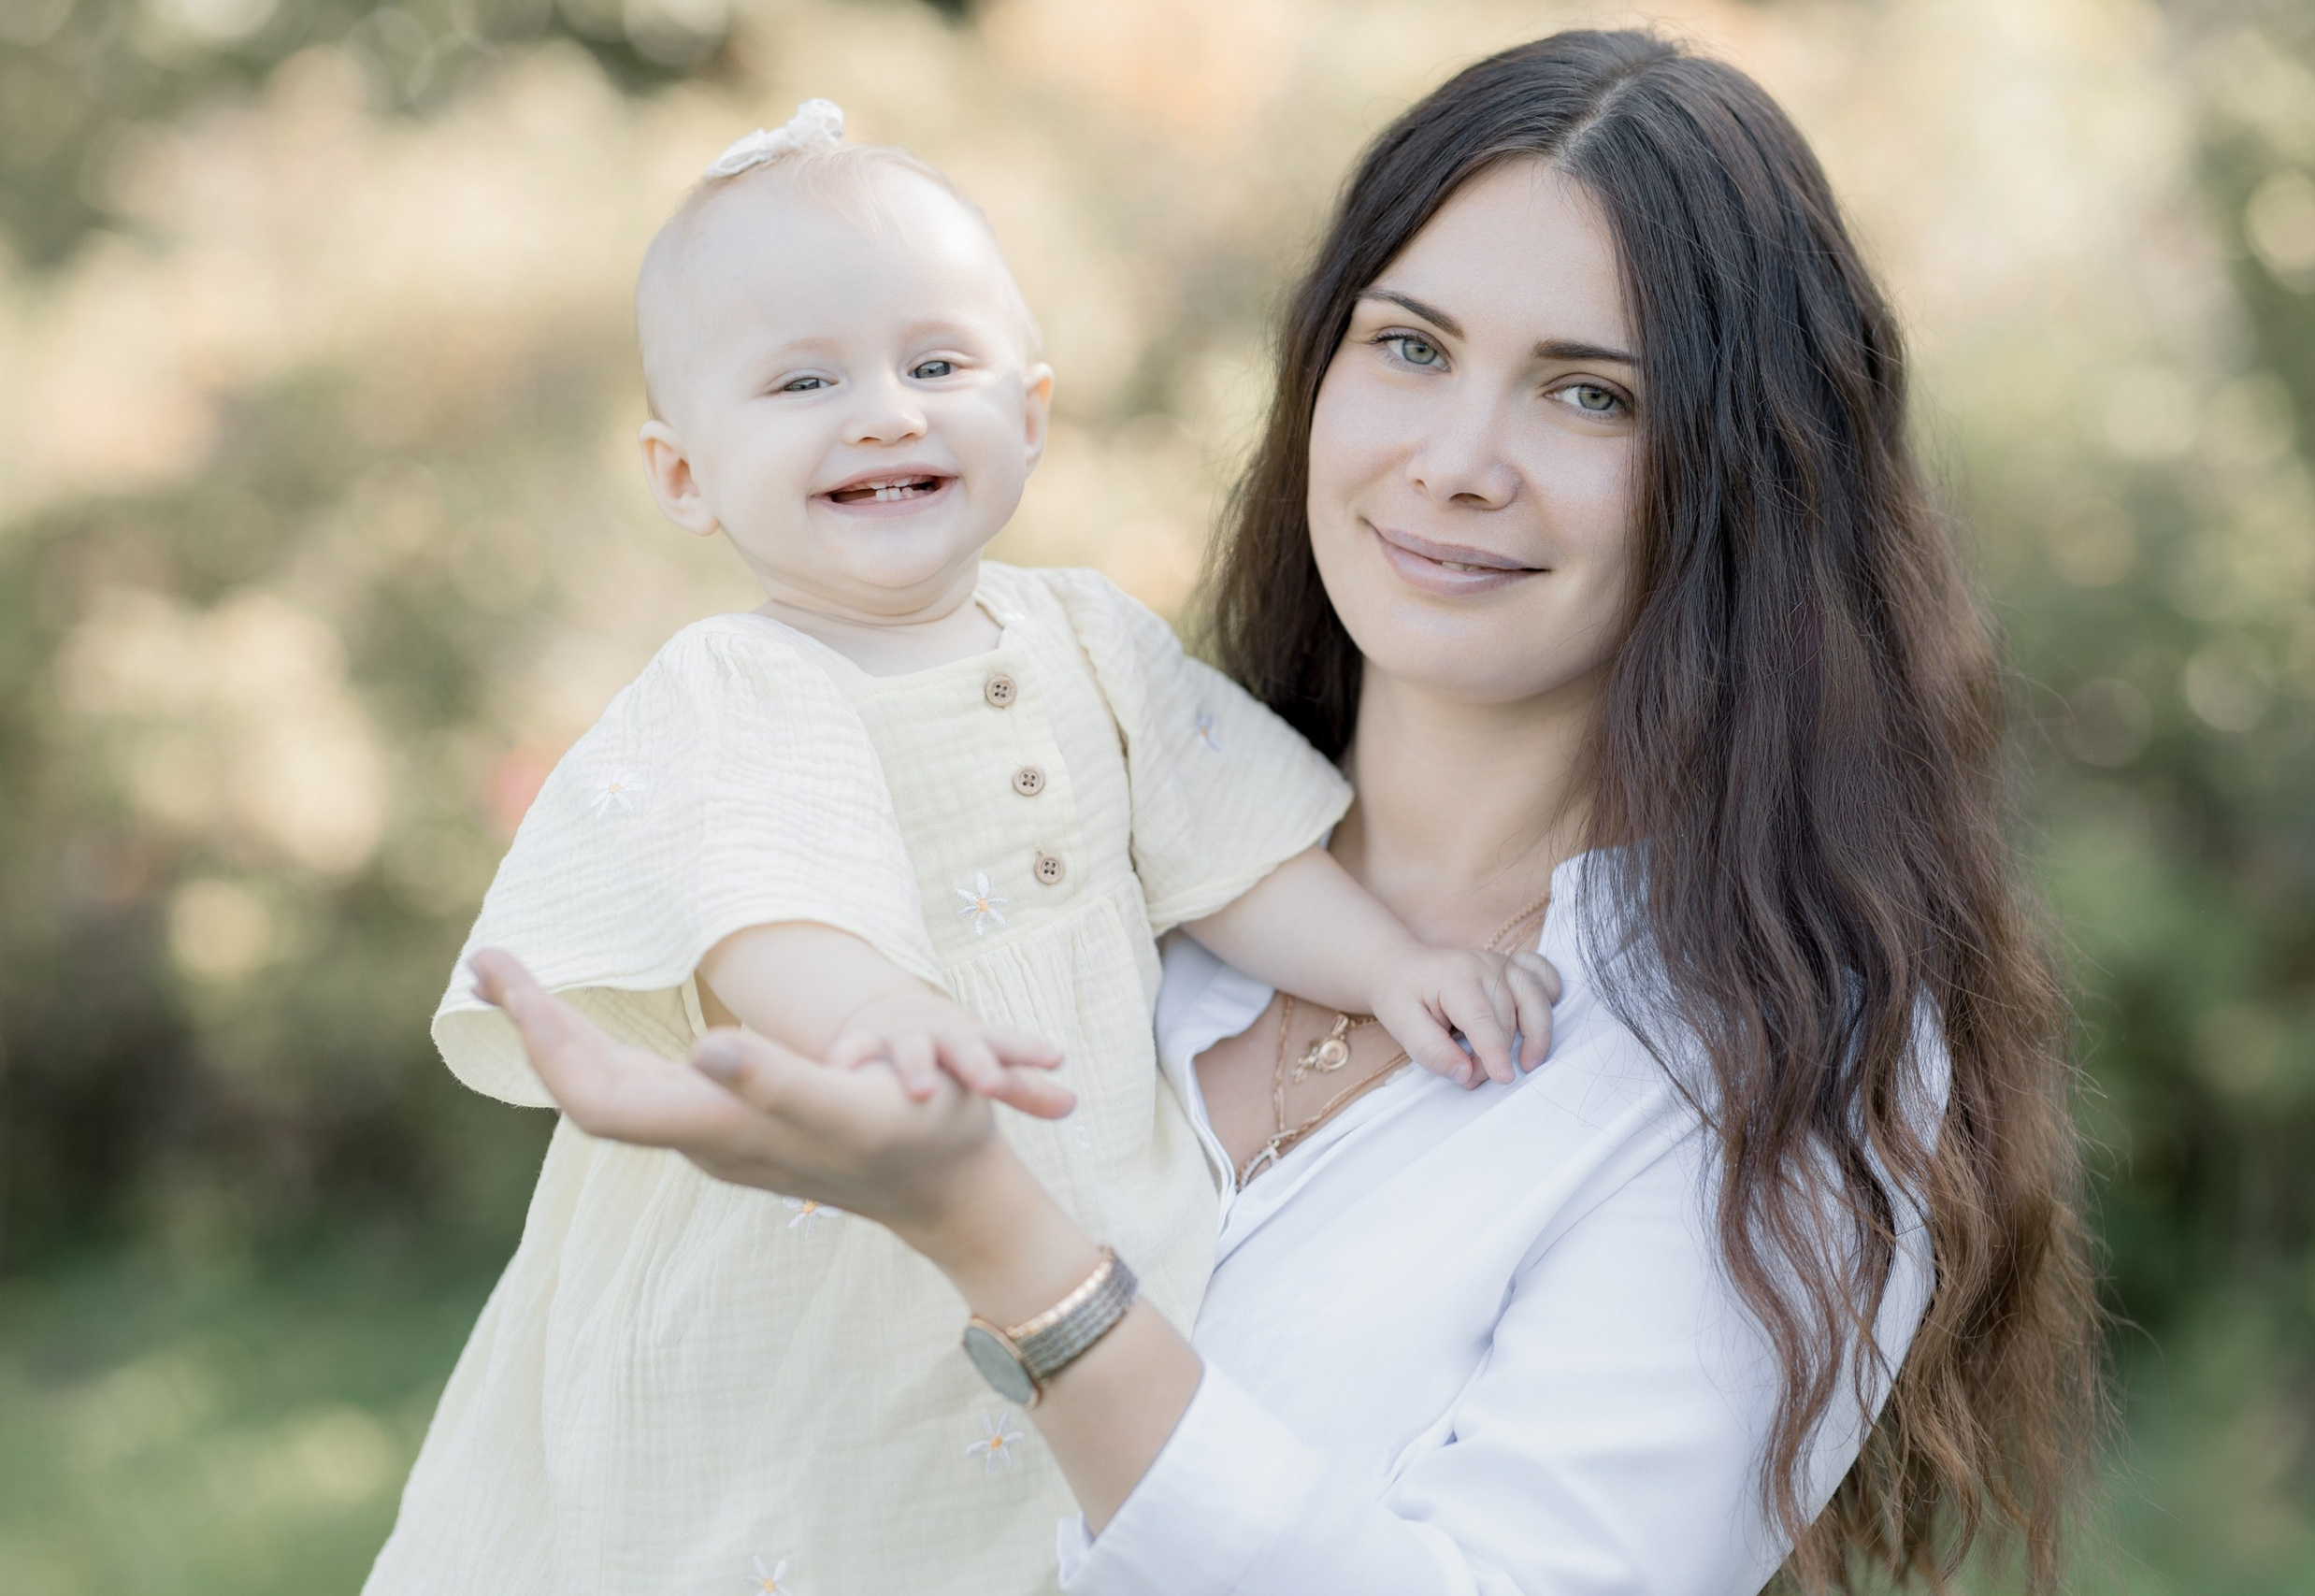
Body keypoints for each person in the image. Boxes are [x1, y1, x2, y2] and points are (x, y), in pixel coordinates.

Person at [466, 28, 2103, 1596]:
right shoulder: (1070, 823)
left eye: (1591, 394)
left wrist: (1004, 1244)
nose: (1459, 458)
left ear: (1751, 467)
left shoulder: (1778, 1071)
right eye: (1409, 347)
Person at [366, 100, 1556, 1596]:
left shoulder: (1091, 643)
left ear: (1033, 410)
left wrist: (1390, 965)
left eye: (938, 366)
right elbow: (762, 920)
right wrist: (889, 1031)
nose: (885, 414)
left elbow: (1233, 855)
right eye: (804, 381)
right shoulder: (730, 687)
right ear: (682, 475)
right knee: (745, 1519)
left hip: (1047, 1231)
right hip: (804, 1232)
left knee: (989, 1526)